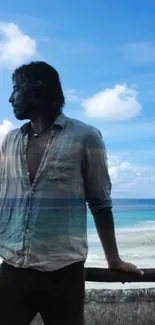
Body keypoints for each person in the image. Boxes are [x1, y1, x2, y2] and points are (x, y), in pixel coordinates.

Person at [0, 61, 143, 325]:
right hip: (12, 271)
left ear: (38, 89)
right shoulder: (9, 140)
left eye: (16, 88)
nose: (10, 97)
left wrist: (113, 260)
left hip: (63, 272)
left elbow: (100, 202)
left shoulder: (86, 136)